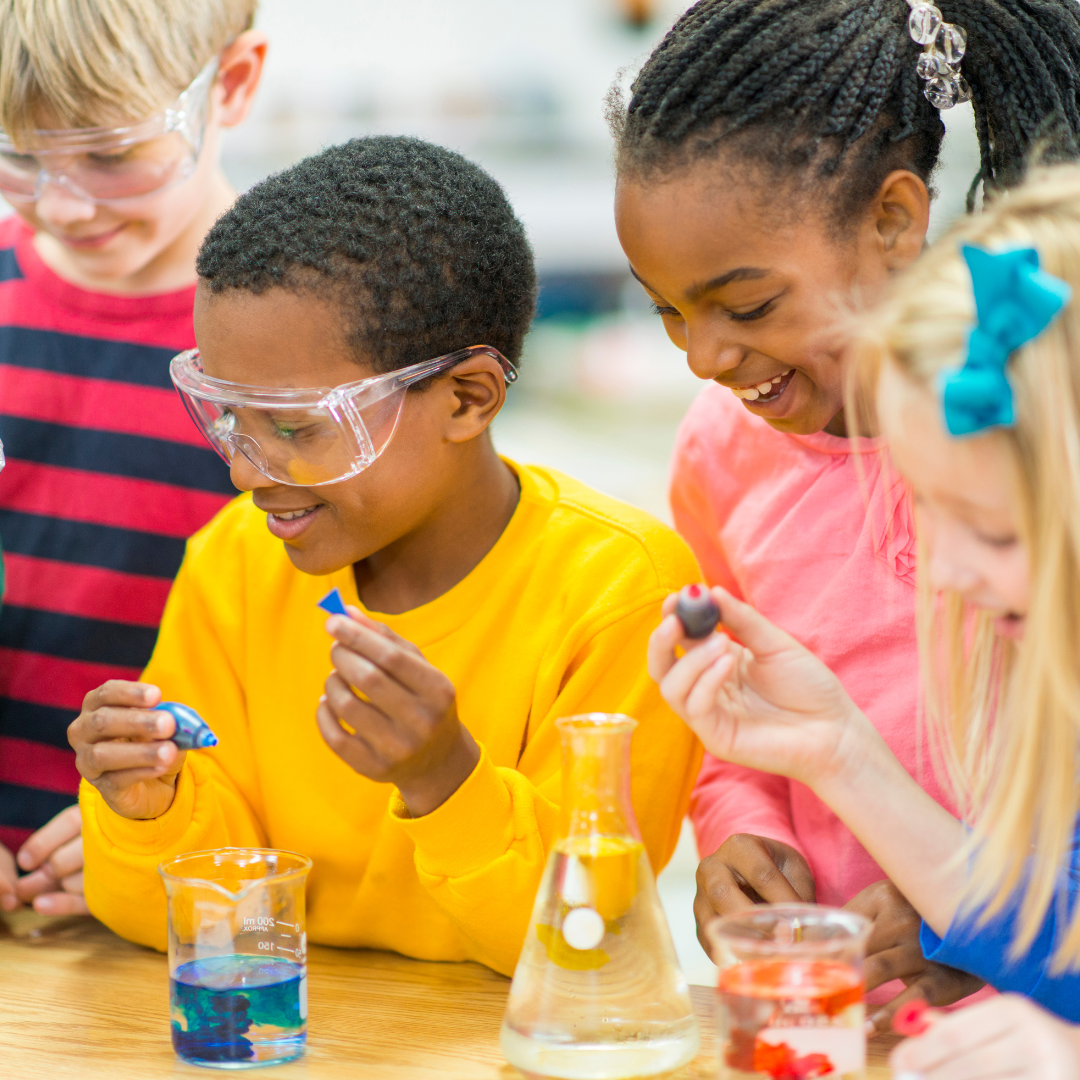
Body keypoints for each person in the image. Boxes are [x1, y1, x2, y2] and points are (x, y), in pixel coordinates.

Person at [70, 136, 703, 976]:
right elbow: (183, 917)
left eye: (295, 427)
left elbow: (580, 942)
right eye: (229, 417)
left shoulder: (624, 593)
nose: (244, 468)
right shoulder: (234, 561)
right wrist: (148, 807)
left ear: (467, 398)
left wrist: (444, 775)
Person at [609, 0, 1080, 1022]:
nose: (705, 355)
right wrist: (738, 826)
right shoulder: (718, 451)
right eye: (670, 312)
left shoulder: (1030, 421)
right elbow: (737, 706)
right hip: (841, 1009)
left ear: (895, 220)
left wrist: (968, 910)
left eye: (745, 306)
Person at [0, 0, 266, 918]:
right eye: (19, 156)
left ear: (231, 85)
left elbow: (339, 641)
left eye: (112, 154)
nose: (63, 202)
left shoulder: (303, 357)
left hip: (196, 896)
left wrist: (168, 827)